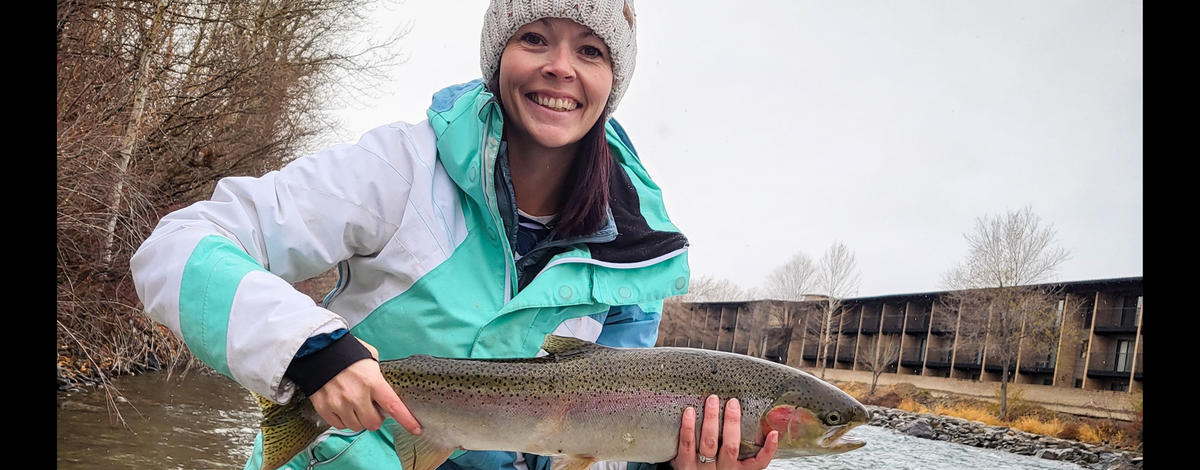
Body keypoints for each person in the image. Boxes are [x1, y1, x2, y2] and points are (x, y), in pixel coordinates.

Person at [130, 1, 779, 469]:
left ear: (613, 82)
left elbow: (596, 452)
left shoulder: (639, 258)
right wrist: (310, 351)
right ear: (499, 57)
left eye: (591, 50)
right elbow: (180, 247)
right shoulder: (399, 169)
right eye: (533, 38)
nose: (560, 67)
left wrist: (672, 467)